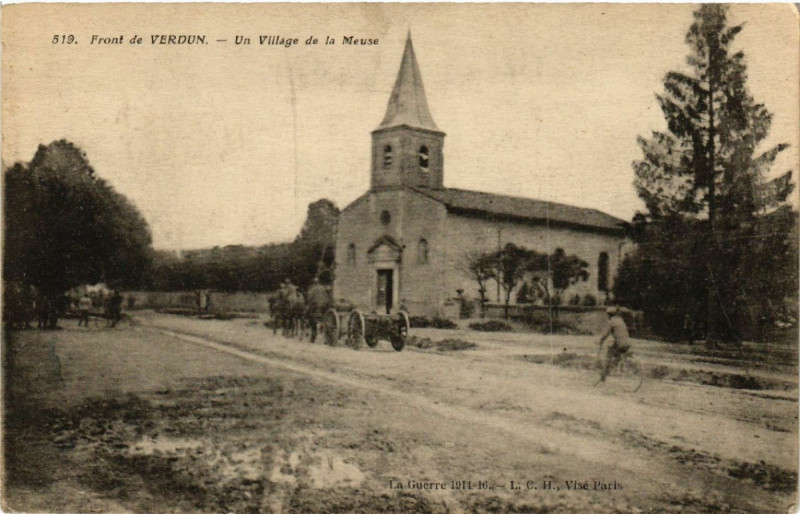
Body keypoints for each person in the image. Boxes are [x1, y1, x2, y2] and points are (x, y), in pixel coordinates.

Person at [597, 306, 631, 382]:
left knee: (608, 356)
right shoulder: (620, 320)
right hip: (627, 343)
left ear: (609, 315)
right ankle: (614, 366)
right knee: (617, 354)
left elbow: (605, 334)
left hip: (620, 343)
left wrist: (600, 341)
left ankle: (603, 376)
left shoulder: (611, 322)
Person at [306, 277, 331, 342]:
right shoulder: (323, 288)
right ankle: (324, 329)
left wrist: (308, 304)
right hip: (324, 306)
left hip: (315, 306)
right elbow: (326, 296)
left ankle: (313, 336)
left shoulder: (312, 289)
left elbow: (309, 297)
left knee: (309, 317)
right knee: (325, 318)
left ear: (314, 283)